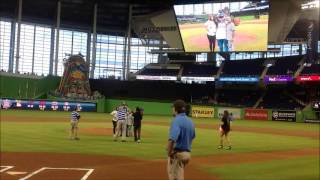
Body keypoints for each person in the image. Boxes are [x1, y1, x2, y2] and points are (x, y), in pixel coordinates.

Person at [167, 100, 195, 180]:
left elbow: (172, 139)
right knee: (179, 174)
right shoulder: (190, 121)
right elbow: (192, 136)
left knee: (175, 177)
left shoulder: (176, 120)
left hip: (177, 154)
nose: (172, 109)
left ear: (176, 109)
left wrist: (169, 153)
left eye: (173, 108)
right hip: (187, 155)